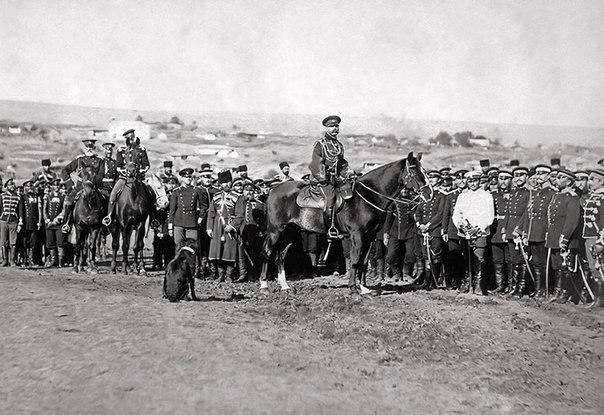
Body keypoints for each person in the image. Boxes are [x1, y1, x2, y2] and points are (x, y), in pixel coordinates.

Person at [308, 115, 353, 234]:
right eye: (331, 126)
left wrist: (347, 172)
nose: (335, 129)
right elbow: (315, 164)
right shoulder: (320, 144)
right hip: (322, 180)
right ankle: (330, 227)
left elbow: (342, 164)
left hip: (336, 179)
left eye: (336, 126)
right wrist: (325, 178)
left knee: (350, 193)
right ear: (326, 128)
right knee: (331, 196)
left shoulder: (339, 146)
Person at [453, 170, 495, 295]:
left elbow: (489, 216)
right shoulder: (463, 196)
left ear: (479, 181)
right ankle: (467, 282)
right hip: (465, 232)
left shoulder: (487, 196)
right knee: (466, 258)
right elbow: (456, 215)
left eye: (475, 181)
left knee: (479, 258)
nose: (472, 184)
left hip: (479, 232)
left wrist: (478, 227)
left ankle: (478, 284)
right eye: (470, 181)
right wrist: (460, 224)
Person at [518, 164, 556, 298]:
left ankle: (546, 289)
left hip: (543, 232)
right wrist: (523, 231)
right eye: (537, 174)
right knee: (536, 263)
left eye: (542, 174)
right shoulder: (534, 193)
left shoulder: (553, 193)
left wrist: (549, 232)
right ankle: (539, 289)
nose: (539, 177)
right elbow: (528, 214)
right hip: (532, 232)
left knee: (545, 263)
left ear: (548, 176)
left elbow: (553, 216)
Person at [546, 169, 582, 304]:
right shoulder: (557, 195)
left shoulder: (572, 197)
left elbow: (572, 221)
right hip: (554, 236)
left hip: (566, 238)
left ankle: (565, 293)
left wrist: (565, 238)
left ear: (568, 181)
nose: (557, 179)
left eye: (560, 177)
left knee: (565, 265)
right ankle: (558, 291)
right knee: (556, 266)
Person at [103, 129, 151, 225]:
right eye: (129, 138)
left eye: (132, 137)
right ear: (126, 139)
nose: (131, 139)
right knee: (113, 193)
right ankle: (109, 215)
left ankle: (154, 218)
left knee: (151, 192)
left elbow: (146, 164)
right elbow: (118, 166)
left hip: (139, 178)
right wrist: (125, 172)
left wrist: (141, 171)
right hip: (124, 178)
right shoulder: (121, 150)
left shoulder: (142, 149)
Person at [57, 138, 103, 231]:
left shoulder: (99, 160)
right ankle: (67, 224)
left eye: (91, 146)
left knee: (104, 200)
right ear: (84, 147)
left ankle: (104, 224)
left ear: (94, 147)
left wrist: (94, 182)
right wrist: (70, 184)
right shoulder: (79, 160)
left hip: (94, 187)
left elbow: (101, 174)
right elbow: (65, 171)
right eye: (87, 146)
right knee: (69, 202)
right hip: (80, 186)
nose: (89, 148)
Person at [206, 170, 241, 281]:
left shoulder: (237, 197)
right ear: (220, 184)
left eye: (228, 182)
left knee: (229, 251)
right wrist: (209, 227)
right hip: (217, 227)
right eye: (224, 182)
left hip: (230, 226)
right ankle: (220, 275)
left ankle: (229, 275)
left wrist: (232, 226)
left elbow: (240, 215)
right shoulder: (215, 196)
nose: (227, 184)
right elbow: (211, 213)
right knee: (218, 251)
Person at [414, 171, 446, 289]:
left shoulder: (441, 195)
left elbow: (440, 213)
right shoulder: (424, 195)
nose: (431, 179)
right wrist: (419, 224)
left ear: (439, 180)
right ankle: (427, 281)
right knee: (426, 257)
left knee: (435, 256)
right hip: (423, 231)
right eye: (430, 177)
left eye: (434, 177)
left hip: (434, 230)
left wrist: (428, 225)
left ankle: (434, 281)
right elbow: (418, 212)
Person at [504, 166, 531, 297]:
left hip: (519, 230)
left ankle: (521, 287)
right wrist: (505, 229)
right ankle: (513, 286)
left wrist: (520, 230)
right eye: (516, 175)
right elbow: (508, 212)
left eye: (521, 175)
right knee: (513, 259)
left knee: (521, 259)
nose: (518, 178)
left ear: (526, 177)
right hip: (510, 230)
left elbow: (526, 214)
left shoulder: (528, 193)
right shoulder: (513, 192)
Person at [234, 181, 266, 282]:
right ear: (243, 191)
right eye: (246, 190)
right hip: (242, 231)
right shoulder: (239, 202)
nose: (249, 193)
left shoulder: (259, 205)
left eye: (251, 191)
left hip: (254, 232)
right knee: (242, 253)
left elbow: (263, 220)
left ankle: (254, 274)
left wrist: (261, 231)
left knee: (254, 253)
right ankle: (243, 274)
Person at [167, 168, 205, 250]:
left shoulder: (197, 190)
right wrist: (170, 227)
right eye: (186, 177)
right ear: (182, 178)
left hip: (192, 223)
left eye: (190, 177)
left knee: (192, 247)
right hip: (178, 223)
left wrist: (200, 218)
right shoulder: (176, 192)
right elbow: (172, 211)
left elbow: (204, 206)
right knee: (179, 247)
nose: (188, 179)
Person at [582, 169, 604, 307]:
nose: (589, 183)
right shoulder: (594, 196)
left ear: (601, 181)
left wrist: (601, 241)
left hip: (596, 237)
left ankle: (600, 300)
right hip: (589, 236)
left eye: (592, 180)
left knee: (599, 267)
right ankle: (598, 299)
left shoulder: (602, 197)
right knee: (593, 268)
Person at [489, 170, 512, 293]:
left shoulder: (514, 194)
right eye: (501, 179)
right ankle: (500, 285)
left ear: (510, 180)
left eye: (506, 179)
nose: (503, 182)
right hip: (495, 228)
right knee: (497, 260)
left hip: (508, 227)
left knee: (509, 259)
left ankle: (510, 285)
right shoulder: (492, 195)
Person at [19, 180, 43, 266]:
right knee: (25, 242)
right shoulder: (23, 197)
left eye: (31, 187)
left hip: (34, 223)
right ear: (25, 188)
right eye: (28, 187)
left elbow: (39, 210)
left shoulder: (36, 197)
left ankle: (31, 260)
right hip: (25, 223)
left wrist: (39, 221)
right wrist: (21, 221)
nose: (29, 188)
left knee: (33, 242)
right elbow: (21, 210)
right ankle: (25, 260)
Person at [43, 179, 66, 267]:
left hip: (58, 223)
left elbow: (64, 210)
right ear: (52, 187)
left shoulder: (63, 197)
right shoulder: (47, 196)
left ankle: (61, 261)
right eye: (54, 186)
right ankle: (53, 260)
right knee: (50, 242)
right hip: (49, 223)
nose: (56, 187)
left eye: (57, 186)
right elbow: (44, 210)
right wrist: (47, 220)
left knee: (60, 242)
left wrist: (57, 219)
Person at [0, 179, 22, 266]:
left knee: (13, 242)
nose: (12, 186)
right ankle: (5, 260)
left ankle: (12, 260)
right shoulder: (2, 196)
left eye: (13, 184)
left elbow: (20, 211)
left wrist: (20, 222)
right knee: (3, 242)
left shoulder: (18, 197)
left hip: (14, 221)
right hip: (3, 220)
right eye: (10, 185)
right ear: (7, 186)